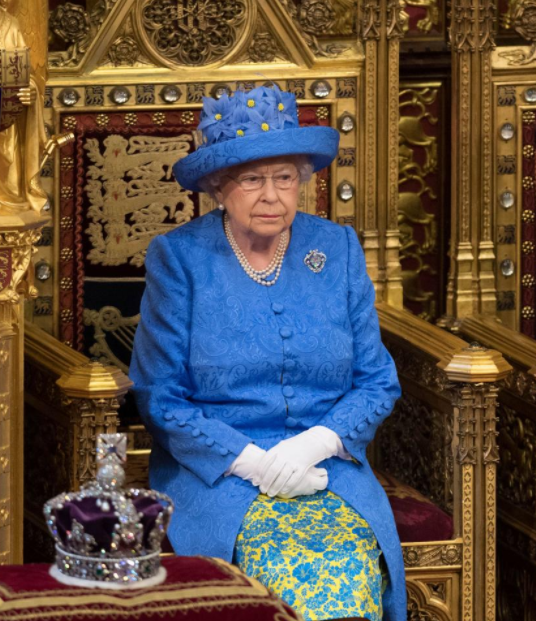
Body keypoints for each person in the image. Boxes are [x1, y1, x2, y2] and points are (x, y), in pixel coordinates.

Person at [130, 85, 405, 621]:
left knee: (345, 562)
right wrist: (252, 462)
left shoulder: (338, 249)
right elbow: (160, 398)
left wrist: (314, 445)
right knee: (282, 566)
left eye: (285, 178)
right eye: (252, 180)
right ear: (218, 186)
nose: (272, 196)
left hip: (330, 470)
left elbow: (377, 380)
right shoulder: (179, 259)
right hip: (220, 476)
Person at [0, 0, 48, 214]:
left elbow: (25, 75)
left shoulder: (11, 24)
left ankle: (6, 198)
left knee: (11, 184)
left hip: (4, 121)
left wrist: (31, 91)